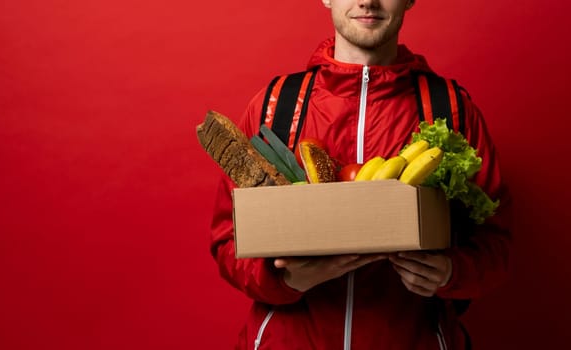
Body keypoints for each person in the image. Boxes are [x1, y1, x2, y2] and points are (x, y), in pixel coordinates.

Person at [209, 0, 512, 349]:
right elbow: (228, 240)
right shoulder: (276, 106)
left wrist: (451, 272)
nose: (368, 0)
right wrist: (286, 279)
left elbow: (495, 243)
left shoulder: (451, 110)